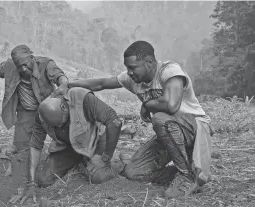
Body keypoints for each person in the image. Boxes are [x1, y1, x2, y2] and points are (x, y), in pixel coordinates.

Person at [66, 41, 213, 198]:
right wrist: (68, 85)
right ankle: (190, 172)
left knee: (160, 119)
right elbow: (101, 83)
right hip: (171, 134)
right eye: (127, 68)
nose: (129, 72)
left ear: (149, 62)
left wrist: (147, 104)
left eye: (133, 67)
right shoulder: (133, 79)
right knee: (133, 172)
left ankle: (186, 177)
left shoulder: (170, 71)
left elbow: (171, 106)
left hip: (195, 129)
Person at [9, 87, 123, 204]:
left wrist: (104, 157)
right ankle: (81, 159)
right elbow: (35, 145)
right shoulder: (42, 114)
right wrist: (30, 184)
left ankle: (119, 164)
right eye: (55, 126)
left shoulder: (81, 98)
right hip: (69, 146)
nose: (60, 128)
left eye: (62, 124)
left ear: (64, 107)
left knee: (97, 177)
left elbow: (114, 122)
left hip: (95, 140)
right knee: (44, 181)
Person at [0, 45, 69, 152]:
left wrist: (63, 84)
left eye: (25, 65)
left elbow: (59, 75)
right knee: (20, 147)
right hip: (26, 111)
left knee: (62, 140)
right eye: (19, 67)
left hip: (48, 107)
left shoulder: (45, 63)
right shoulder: (10, 65)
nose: (23, 69)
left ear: (31, 58)